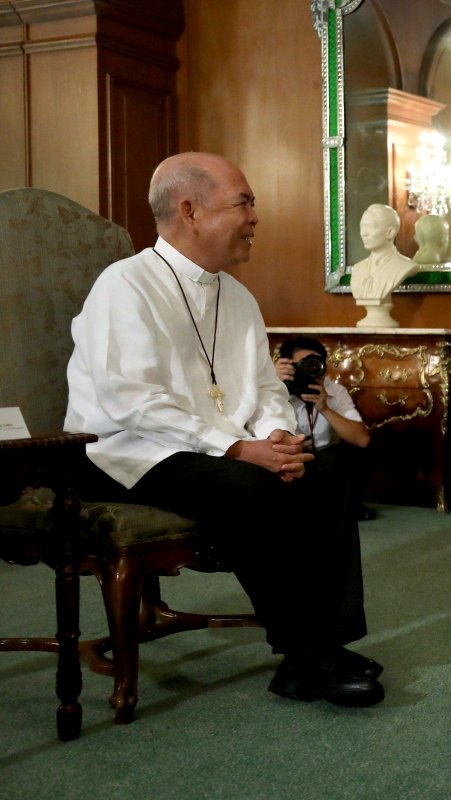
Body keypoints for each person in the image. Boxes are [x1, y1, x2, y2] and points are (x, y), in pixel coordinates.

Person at [64, 151, 386, 708]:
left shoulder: (235, 295)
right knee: (249, 485)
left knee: (328, 468)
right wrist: (239, 447)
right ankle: (305, 657)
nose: (255, 217)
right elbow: (131, 400)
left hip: (214, 449)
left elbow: (263, 387)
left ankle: (327, 643)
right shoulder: (125, 285)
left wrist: (278, 437)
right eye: (245, 203)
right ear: (190, 210)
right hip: (125, 455)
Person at [274, 335, 375, 520]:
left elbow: (362, 440)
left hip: (324, 454)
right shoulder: (273, 389)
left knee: (350, 456)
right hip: (287, 454)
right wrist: (274, 385)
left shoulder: (334, 390)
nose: (307, 369)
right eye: (300, 364)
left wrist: (326, 408)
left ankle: (347, 504)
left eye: (312, 363)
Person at [349, 203, 417, 301]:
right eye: (362, 227)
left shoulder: (405, 266)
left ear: (390, 232)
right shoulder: (358, 269)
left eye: (370, 227)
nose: (364, 233)